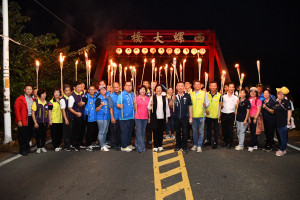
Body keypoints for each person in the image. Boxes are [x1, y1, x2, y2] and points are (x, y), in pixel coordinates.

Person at [148, 84, 170, 152]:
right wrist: (151, 104)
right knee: (155, 132)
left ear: (161, 90)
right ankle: (155, 146)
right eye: (157, 88)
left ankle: (160, 145)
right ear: (155, 90)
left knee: (161, 132)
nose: (158, 90)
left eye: (160, 88)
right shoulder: (152, 97)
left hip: (162, 117)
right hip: (155, 118)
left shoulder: (164, 98)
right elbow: (149, 108)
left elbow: (167, 108)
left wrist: (167, 117)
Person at [14, 84, 35, 156]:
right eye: (27, 89)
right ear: (24, 90)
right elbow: (17, 111)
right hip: (23, 119)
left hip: (30, 118)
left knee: (29, 134)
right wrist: (19, 120)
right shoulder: (20, 99)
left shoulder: (32, 99)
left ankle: (27, 148)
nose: (29, 90)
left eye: (30, 89)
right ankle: (22, 149)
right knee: (22, 135)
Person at [173, 82, 193, 153]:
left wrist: (191, 117)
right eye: (179, 86)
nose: (180, 87)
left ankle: (184, 147)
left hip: (185, 117)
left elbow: (190, 106)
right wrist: (172, 100)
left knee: (185, 133)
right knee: (177, 132)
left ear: (184, 87)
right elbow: (170, 106)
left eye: (182, 86)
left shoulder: (187, 96)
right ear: (176, 87)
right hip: (176, 117)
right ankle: (178, 146)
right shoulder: (174, 95)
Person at [190, 80, 209, 153]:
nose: (197, 86)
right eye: (196, 85)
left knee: (201, 131)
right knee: (194, 131)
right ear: (193, 86)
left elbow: (207, 102)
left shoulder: (204, 93)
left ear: (201, 85)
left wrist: (206, 105)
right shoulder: (191, 94)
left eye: (198, 84)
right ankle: (195, 144)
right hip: (194, 116)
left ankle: (199, 145)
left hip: (202, 115)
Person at [117, 81, 135, 152]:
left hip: (132, 116)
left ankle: (128, 144)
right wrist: (119, 106)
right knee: (124, 132)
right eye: (127, 85)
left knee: (130, 131)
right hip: (124, 117)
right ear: (124, 87)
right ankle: (124, 146)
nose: (129, 87)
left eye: (130, 85)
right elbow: (117, 104)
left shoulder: (133, 94)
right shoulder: (121, 94)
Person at [274, 87, 292, 156]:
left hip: (284, 122)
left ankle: (282, 150)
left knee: (283, 137)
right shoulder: (277, 102)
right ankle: (283, 149)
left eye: (282, 94)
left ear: (284, 95)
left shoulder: (287, 102)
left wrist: (288, 120)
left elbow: (289, 111)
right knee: (281, 136)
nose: (280, 95)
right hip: (278, 122)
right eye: (279, 94)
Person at [220, 82, 239, 149]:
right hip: (224, 114)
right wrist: (221, 105)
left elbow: (236, 107)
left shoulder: (236, 97)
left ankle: (230, 142)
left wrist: (237, 105)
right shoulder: (223, 96)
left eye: (232, 87)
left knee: (230, 129)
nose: (231, 88)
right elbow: (220, 106)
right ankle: (225, 141)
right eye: (230, 87)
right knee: (224, 129)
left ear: (234, 88)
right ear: (227, 88)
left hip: (231, 114)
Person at [68, 81, 86, 151]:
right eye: (78, 87)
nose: (79, 88)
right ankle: (76, 145)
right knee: (76, 131)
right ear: (74, 88)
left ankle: (80, 143)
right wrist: (76, 113)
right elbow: (69, 108)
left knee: (82, 130)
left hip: (82, 115)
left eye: (80, 87)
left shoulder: (82, 93)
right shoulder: (72, 96)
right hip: (76, 116)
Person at [32, 88, 49, 154]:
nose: (44, 95)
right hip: (38, 122)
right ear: (39, 95)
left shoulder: (47, 102)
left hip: (45, 122)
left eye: (45, 93)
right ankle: (38, 147)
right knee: (38, 135)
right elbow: (33, 113)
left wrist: (49, 120)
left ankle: (43, 146)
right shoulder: (35, 102)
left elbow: (49, 112)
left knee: (43, 135)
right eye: (42, 93)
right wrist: (35, 122)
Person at [134, 85, 150, 153]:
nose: (142, 91)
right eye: (141, 89)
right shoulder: (136, 98)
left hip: (145, 117)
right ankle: (139, 147)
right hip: (138, 117)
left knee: (143, 132)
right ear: (139, 91)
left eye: (144, 89)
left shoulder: (148, 98)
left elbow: (149, 109)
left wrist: (149, 117)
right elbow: (134, 109)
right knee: (139, 132)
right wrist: (134, 103)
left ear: (146, 91)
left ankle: (141, 146)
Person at [206, 81, 221, 149]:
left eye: (214, 86)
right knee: (208, 129)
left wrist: (221, 107)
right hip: (208, 115)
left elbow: (221, 106)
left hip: (216, 115)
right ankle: (208, 140)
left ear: (216, 86)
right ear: (209, 87)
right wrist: (205, 110)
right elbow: (203, 104)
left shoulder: (220, 95)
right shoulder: (206, 94)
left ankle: (215, 141)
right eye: (211, 86)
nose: (213, 87)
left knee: (216, 129)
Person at [83, 85, 98, 152]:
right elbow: (82, 103)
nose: (92, 91)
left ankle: (93, 142)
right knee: (89, 132)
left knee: (95, 131)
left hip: (96, 117)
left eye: (93, 89)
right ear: (88, 90)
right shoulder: (86, 97)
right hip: (89, 117)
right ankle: (88, 145)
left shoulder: (96, 97)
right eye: (90, 89)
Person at [96, 85, 111, 152]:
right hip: (101, 117)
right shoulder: (98, 99)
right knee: (101, 131)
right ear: (99, 91)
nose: (103, 91)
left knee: (105, 131)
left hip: (107, 117)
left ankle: (103, 143)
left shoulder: (107, 97)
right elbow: (96, 109)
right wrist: (101, 105)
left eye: (104, 89)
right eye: (101, 90)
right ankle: (102, 145)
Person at [247, 87, 262, 152]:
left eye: (254, 92)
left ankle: (251, 145)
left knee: (253, 131)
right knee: (252, 131)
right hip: (249, 117)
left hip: (255, 117)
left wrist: (255, 118)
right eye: (251, 91)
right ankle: (255, 144)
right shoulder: (248, 99)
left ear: (256, 93)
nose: (252, 93)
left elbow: (258, 110)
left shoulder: (258, 100)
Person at [109, 82, 122, 150]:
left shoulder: (123, 95)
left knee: (120, 131)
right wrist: (112, 117)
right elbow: (110, 108)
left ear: (119, 87)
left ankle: (120, 144)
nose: (116, 88)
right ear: (113, 88)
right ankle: (114, 145)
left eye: (117, 87)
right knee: (114, 131)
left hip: (122, 116)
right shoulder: (111, 96)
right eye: (114, 87)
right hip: (115, 116)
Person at [60, 84, 72, 151]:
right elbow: (63, 110)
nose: (68, 92)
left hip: (70, 117)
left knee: (70, 131)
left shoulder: (70, 98)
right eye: (66, 90)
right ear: (64, 91)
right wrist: (66, 119)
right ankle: (66, 146)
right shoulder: (63, 99)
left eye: (69, 90)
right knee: (66, 132)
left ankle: (69, 144)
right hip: (66, 117)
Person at [146, 81, 157, 145]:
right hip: (149, 110)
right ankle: (149, 139)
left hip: (156, 112)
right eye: (152, 84)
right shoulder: (148, 92)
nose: (154, 86)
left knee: (156, 126)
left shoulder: (158, 92)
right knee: (149, 126)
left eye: (155, 84)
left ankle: (156, 139)